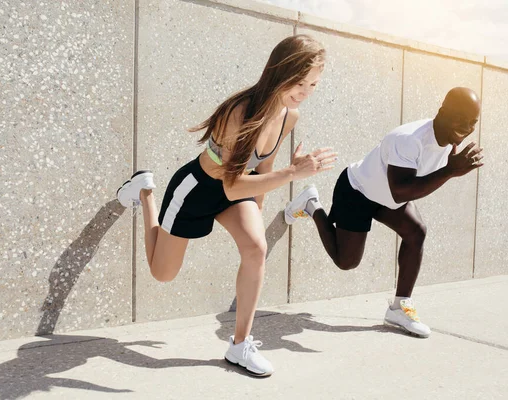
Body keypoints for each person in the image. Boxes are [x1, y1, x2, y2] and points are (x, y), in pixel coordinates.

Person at [116, 35, 337, 376]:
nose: (305, 91)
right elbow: (231, 184)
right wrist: (293, 172)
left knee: (256, 248)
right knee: (162, 273)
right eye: (299, 82)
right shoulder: (239, 112)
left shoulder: (289, 114)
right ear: (279, 72)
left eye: (314, 84)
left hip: (238, 189)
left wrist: (259, 210)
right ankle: (145, 190)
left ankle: (239, 344)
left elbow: (263, 165)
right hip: (197, 190)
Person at [284, 87, 483, 338]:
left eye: (472, 122)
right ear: (442, 111)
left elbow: (404, 189)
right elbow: (400, 191)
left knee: (416, 232)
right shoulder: (408, 139)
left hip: (386, 195)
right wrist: (450, 171)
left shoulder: (450, 140)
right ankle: (312, 204)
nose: (466, 127)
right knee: (346, 262)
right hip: (357, 190)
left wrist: (451, 168)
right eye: (461, 118)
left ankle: (400, 307)